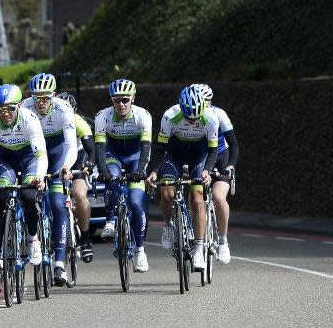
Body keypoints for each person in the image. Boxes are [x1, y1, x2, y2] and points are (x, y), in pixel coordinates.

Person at [145, 85, 218, 271]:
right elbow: (161, 148)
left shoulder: (211, 118)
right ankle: (169, 224)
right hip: (174, 154)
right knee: (167, 193)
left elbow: (212, 151)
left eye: (196, 117)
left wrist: (207, 171)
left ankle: (199, 249)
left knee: (197, 199)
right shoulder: (170, 115)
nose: (192, 122)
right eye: (188, 117)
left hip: (198, 156)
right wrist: (154, 171)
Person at [0, 84, 47, 273]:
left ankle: (33, 239)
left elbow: (41, 154)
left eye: (10, 108)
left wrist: (39, 176)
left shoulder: (30, 119)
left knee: (29, 197)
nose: (5, 113)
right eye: (0, 109)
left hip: (28, 160)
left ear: (19, 106)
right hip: (5, 161)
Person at [22, 73, 77, 285]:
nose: (41, 102)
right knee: (26, 197)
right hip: (33, 155)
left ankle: (60, 264)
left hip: (56, 155)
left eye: (45, 98)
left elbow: (71, 145)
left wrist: (66, 166)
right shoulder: (25, 107)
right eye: (37, 97)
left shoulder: (64, 108)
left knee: (57, 204)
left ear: (54, 95)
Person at [94, 79, 152, 272]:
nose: (121, 104)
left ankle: (140, 251)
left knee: (136, 202)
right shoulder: (102, 116)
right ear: (112, 100)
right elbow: (100, 148)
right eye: (117, 100)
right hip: (114, 156)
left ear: (133, 99)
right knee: (111, 175)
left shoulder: (143, 116)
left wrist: (141, 170)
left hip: (136, 157)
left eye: (125, 100)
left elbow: (146, 148)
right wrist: (102, 170)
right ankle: (110, 220)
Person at [193, 83, 239, 265]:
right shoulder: (189, 115)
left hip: (220, 156)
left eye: (204, 102)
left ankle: (223, 240)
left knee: (218, 198)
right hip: (200, 156)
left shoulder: (219, 115)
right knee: (194, 196)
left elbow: (234, 144)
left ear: (210, 102)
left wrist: (230, 166)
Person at [57, 91, 95, 263]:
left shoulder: (79, 121)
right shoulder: (49, 120)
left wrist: (89, 166)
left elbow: (92, 150)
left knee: (80, 194)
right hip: (57, 159)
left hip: (77, 160)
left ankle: (85, 238)